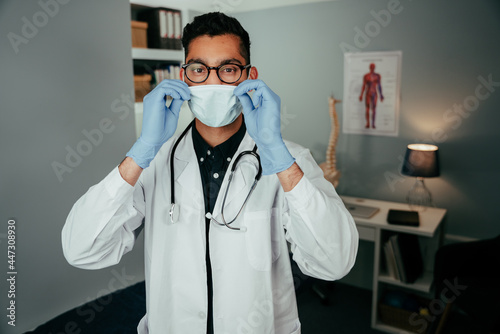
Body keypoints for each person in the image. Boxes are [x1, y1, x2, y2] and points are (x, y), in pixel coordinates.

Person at [62, 12, 358, 334]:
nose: (213, 82)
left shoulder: (290, 161)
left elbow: (334, 262)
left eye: (228, 69)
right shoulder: (153, 161)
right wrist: (143, 148)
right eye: (199, 69)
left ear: (249, 76)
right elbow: (82, 249)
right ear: (184, 77)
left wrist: (276, 153)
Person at [359, 63, 384, 129]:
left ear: (374, 67)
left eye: (373, 67)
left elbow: (379, 86)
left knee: (374, 109)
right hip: (368, 93)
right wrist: (361, 94)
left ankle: (373, 123)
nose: (372, 68)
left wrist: (381, 94)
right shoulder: (366, 76)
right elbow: (364, 85)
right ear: (369, 67)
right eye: (371, 67)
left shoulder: (377, 76)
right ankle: (368, 123)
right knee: (367, 108)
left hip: (374, 93)